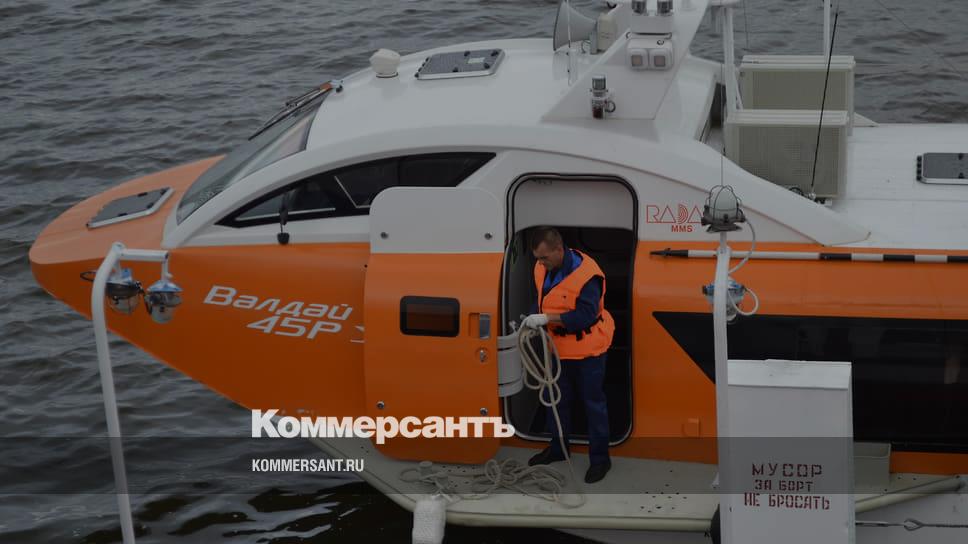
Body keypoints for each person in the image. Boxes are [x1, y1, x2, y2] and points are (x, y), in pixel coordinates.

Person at [521, 226, 615, 483]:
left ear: (559, 250)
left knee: (593, 404)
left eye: (544, 257)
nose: (541, 263)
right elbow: (543, 298)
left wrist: (546, 319)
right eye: (537, 258)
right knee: (556, 401)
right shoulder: (542, 267)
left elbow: (585, 315)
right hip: (557, 349)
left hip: (588, 352)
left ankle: (600, 460)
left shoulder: (588, 275)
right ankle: (558, 449)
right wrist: (532, 318)